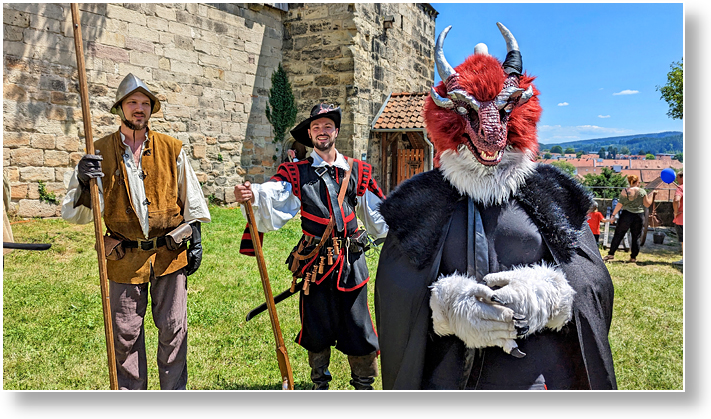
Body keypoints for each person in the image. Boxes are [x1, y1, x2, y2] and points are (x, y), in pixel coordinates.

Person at [375, 23, 616, 390]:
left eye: (502, 113)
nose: (490, 133)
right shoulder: (417, 201)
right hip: (447, 378)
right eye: (472, 115)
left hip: (536, 378)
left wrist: (548, 296)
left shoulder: (554, 193)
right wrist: (447, 307)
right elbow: (394, 293)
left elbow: (593, 282)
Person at [61, 73, 211, 390]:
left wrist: (194, 237)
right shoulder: (99, 151)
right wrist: (83, 178)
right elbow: (74, 214)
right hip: (124, 256)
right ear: (121, 108)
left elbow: (191, 199)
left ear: (151, 110)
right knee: (125, 333)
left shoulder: (172, 149)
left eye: (145, 103)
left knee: (173, 329)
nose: (139, 109)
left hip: (169, 254)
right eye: (133, 102)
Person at [234, 103, 388, 390]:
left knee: (359, 328)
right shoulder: (297, 173)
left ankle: (365, 387)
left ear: (336, 131)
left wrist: (400, 231)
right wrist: (252, 194)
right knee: (316, 328)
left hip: (352, 265)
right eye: (316, 127)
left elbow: (377, 211)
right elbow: (274, 193)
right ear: (309, 134)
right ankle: (320, 386)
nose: (322, 131)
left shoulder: (357, 170)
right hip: (314, 266)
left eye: (327, 126)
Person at [603, 175, 655, 263]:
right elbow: (647, 204)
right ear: (637, 181)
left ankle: (611, 254)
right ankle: (633, 257)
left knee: (618, 234)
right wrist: (652, 195)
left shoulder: (625, 191)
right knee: (636, 237)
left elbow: (619, 204)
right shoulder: (642, 191)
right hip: (639, 216)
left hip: (626, 215)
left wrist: (613, 214)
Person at [672, 171, 683, 265]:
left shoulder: (681, 188)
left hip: (682, 218)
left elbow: (676, 200)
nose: (677, 180)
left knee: (684, 240)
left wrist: (676, 212)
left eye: (678, 178)